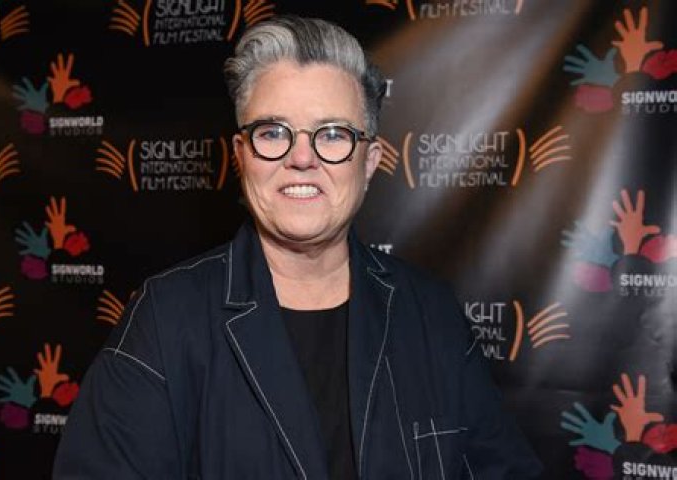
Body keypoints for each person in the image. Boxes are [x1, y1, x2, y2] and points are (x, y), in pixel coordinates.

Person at [53, 15, 543, 479]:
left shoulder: (430, 313)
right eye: (272, 132)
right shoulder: (166, 320)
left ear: (370, 161)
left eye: (332, 134)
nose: (302, 158)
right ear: (242, 156)